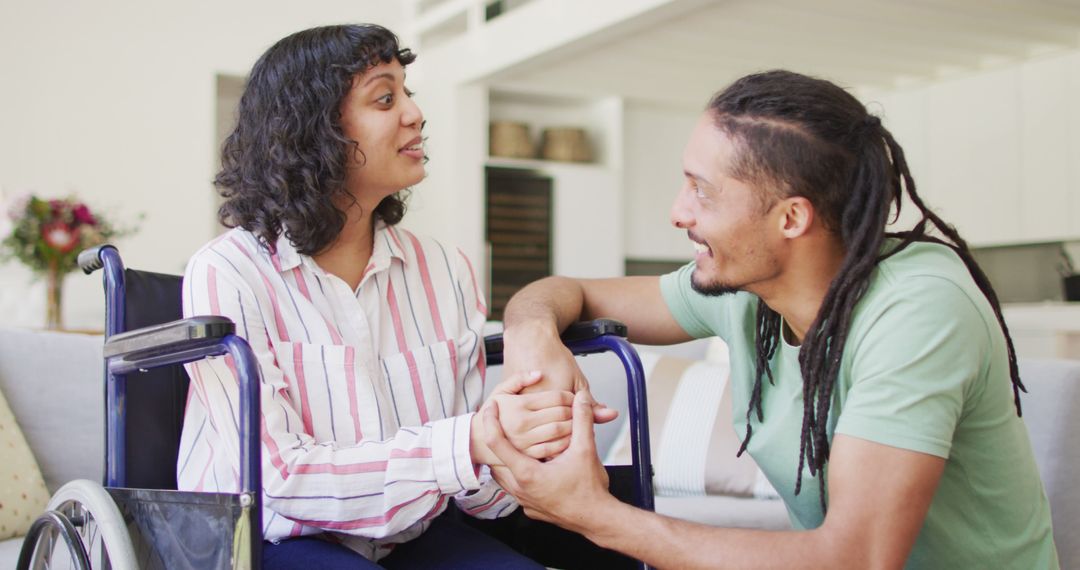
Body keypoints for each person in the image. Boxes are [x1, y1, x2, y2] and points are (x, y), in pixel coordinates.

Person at [486, 70, 1059, 568]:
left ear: (790, 219)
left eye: (701, 192)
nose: (677, 212)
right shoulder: (748, 288)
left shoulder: (918, 310)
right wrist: (533, 335)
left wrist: (594, 514)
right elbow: (567, 292)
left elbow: (857, 558)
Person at [179, 24, 581, 569]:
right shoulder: (227, 274)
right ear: (311, 131)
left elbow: (476, 486)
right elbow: (275, 480)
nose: (415, 113)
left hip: (409, 534)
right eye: (385, 97)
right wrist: (464, 445)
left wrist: (530, 440)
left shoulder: (445, 270)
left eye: (407, 93)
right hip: (267, 540)